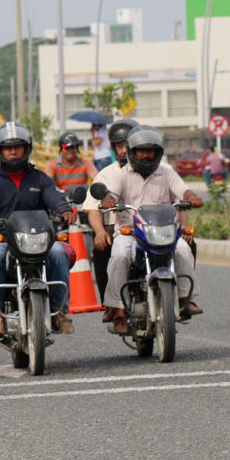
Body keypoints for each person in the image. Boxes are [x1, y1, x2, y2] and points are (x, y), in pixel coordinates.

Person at [0, 122, 76, 336]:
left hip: (38, 239)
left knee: (58, 253)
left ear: (26, 148)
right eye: (8, 148)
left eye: (17, 146)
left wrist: (64, 209)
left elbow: (54, 196)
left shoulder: (39, 177)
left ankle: (59, 311)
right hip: (3, 240)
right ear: (0, 150)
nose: (13, 152)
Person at [100, 125, 204, 334]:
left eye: (151, 151)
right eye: (141, 150)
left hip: (161, 230)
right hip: (130, 232)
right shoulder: (121, 174)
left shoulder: (166, 172)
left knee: (183, 249)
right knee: (120, 255)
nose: (146, 155)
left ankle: (185, 298)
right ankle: (117, 308)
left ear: (158, 153)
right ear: (132, 152)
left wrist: (191, 197)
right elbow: (109, 193)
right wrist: (109, 199)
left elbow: (182, 189)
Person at [83, 118, 138, 317]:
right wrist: (99, 232)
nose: (123, 151)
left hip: (150, 228)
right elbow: (92, 208)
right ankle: (111, 305)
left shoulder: (157, 169)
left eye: (127, 145)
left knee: (183, 244)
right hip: (115, 229)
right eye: (118, 146)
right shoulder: (106, 175)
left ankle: (181, 296)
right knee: (101, 247)